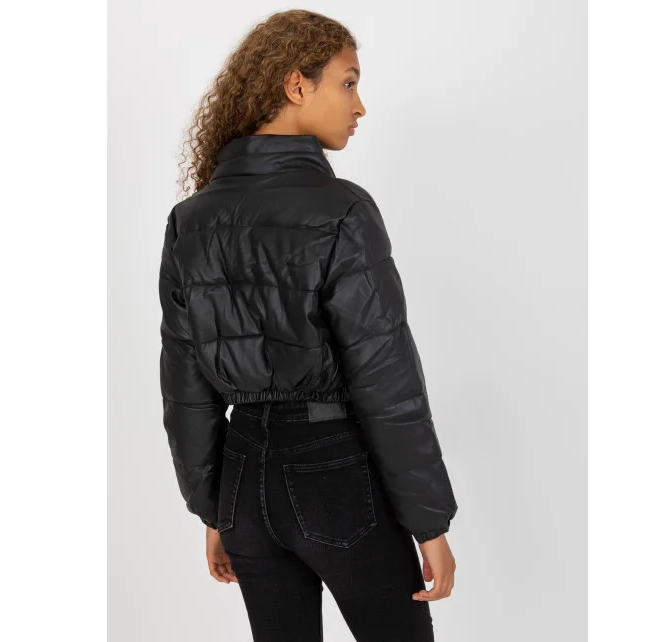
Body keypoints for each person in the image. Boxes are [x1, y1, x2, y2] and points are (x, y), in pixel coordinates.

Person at [158, 9, 458, 641]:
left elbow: (185, 388)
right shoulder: (343, 210)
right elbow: (386, 379)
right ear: (297, 85)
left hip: (244, 485)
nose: (360, 106)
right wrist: (429, 522)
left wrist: (215, 508)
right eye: (348, 83)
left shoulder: (191, 219)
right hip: (333, 473)